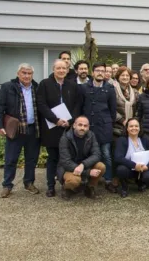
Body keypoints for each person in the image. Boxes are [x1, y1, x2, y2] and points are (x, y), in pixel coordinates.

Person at [0, 63, 41, 198]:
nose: (27, 76)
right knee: (11, 158)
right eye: (24, 73)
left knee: (31, 159)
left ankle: (29, 183)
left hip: (33, 129)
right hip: (16, 129)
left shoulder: (37, 88)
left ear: (32, 75)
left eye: (29, 73)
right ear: (18, 74)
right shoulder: (7, 87)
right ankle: (7, 185)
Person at [37, 59, 82, 197]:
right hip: (52, 127)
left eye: (64, 68)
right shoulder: (45, 84)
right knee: (53, 158)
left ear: (68, 70)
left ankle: (66, 185)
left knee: (67, 157)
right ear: (53, 69)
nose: (61, 71)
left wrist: (71, 120)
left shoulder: (72, 85)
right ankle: (51, 186)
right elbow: (41, 104)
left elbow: (77, 104)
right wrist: (55, 120)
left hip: (68, 127)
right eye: (58, 68)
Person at [79, 62, 117, 193]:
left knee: (106, 154)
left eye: (103, 70)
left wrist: (108, 123)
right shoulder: (84, 88)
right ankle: (86, 180)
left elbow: (113, 110)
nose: (100, 73)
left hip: (104, 127)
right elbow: (80, 107)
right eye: (98, 70)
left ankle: (108, 180)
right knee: (87, 154)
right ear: (93, 72)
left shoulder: (110, 88)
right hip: (88, 126)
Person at [57, 116, 105, 200]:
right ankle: (66, 188)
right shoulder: (65, 138)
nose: (82, 128)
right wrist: (88, 172)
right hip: (68, 169)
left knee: (101, 166)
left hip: (84, 166)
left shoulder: (91, 135)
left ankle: (89, 188)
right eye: (80, 125)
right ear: (74, 125)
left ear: (88, 127)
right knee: (74, 180)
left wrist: (83, 165)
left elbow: (97, 154)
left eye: (85, 126)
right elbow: (66, 162)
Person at [114, 118, 149, 198]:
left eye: (136, 126)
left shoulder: (145, 139)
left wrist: (147, 167)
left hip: (143, 168)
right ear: (127, 128)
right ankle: (124, 187)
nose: (134, 128)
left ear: (140, 128)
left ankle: (140, 182)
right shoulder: (122, 140)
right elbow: (118, 157)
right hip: (129, 168)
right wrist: (134, 165)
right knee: (121, 170)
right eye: (131, 126)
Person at [113, 66, 138, 138]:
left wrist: (133, 121)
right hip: (117, 128)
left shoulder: (135, 92)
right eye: (122, 75)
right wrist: (122, 120)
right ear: (118, 77)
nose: (125, 77)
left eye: (127, 75)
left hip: (132, 128)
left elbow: (138, 109)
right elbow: (111, 108)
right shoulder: (112, 90)